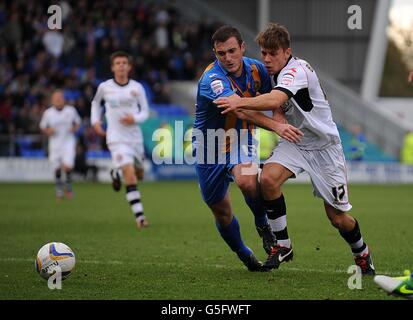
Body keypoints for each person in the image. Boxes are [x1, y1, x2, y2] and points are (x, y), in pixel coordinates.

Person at [215, 23, 375, 275]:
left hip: (325, 149)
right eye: (263, 53)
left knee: (337, 218)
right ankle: (283, 244)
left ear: (287, 52)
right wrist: (259, 113)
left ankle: (362, 252)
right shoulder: (273, 73)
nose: (266, 59)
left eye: (272, 53)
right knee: (267, 178)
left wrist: (240, 102)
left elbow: (276, 99)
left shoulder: (296, 70)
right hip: (297, 142)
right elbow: (271, 106)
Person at [193, 25, 303, 271]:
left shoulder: (258, 69)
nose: (228, 58)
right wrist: (276, 126)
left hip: (241, 138)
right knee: (221, 213)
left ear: (242, 47)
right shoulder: (213, 80)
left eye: (232, 51)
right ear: (215, 53)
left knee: (247, 181)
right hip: (209, 146)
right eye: (221, 53)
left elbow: (276, 95)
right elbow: (239, 109)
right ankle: (245, 255)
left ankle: (264, 226)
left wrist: (277, 113)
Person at [91, 51, 150, 229]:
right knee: (130, 175)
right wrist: (95, 121)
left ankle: (116, 173)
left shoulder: (137, 88)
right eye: (118, 63)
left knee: (139, 174)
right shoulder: (104, 87)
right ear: (112, 67)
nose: (121, 65)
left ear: (129, 66)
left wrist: (135, 118)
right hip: (116, 138)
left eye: (124, 62)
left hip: (135, 138)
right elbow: (95, 103)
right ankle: (140, 218)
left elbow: (145, 111)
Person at [39, 89, 81, 200]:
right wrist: (48, 131)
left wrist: (74, 128)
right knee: (57, 168)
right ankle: (59, 190)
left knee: (67, 167)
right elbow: (43, 126)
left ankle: (68, 187)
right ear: (52, 100)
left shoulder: (70, 111)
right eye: (56, 98)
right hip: (55, 143)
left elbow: (78, 122)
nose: (58, 100)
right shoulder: (48, 113)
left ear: (64, 99)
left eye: (60, 98)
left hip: (68, 142)